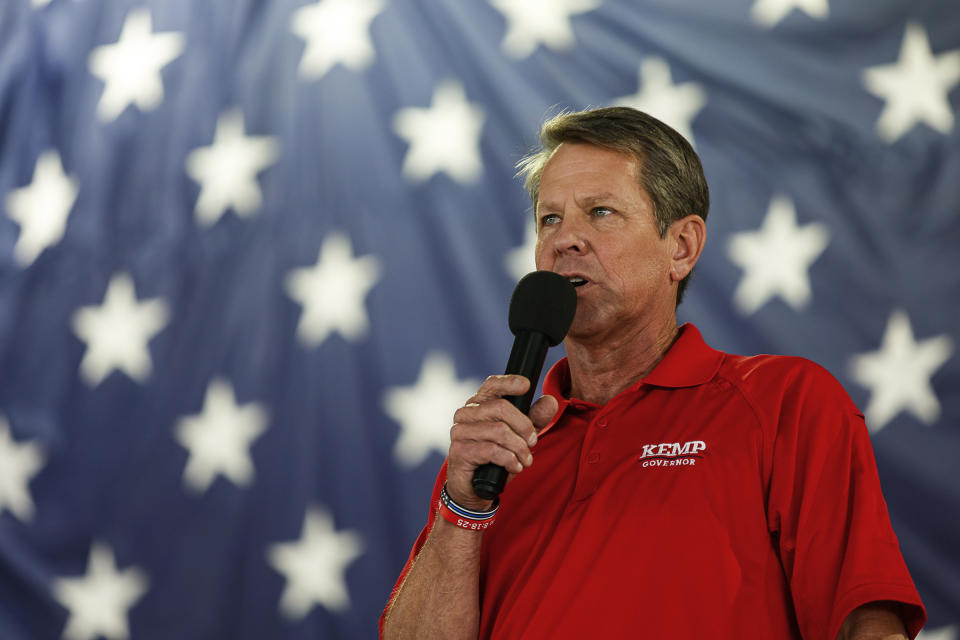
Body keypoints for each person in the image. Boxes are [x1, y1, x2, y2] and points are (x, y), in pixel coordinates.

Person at [380, 106, 926, 639]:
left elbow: (866, 622)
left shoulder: (784, 401)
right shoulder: (497, 444)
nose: (564, 239)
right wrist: (462, 509)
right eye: (551, 218)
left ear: (682, 247)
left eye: (600, 212)